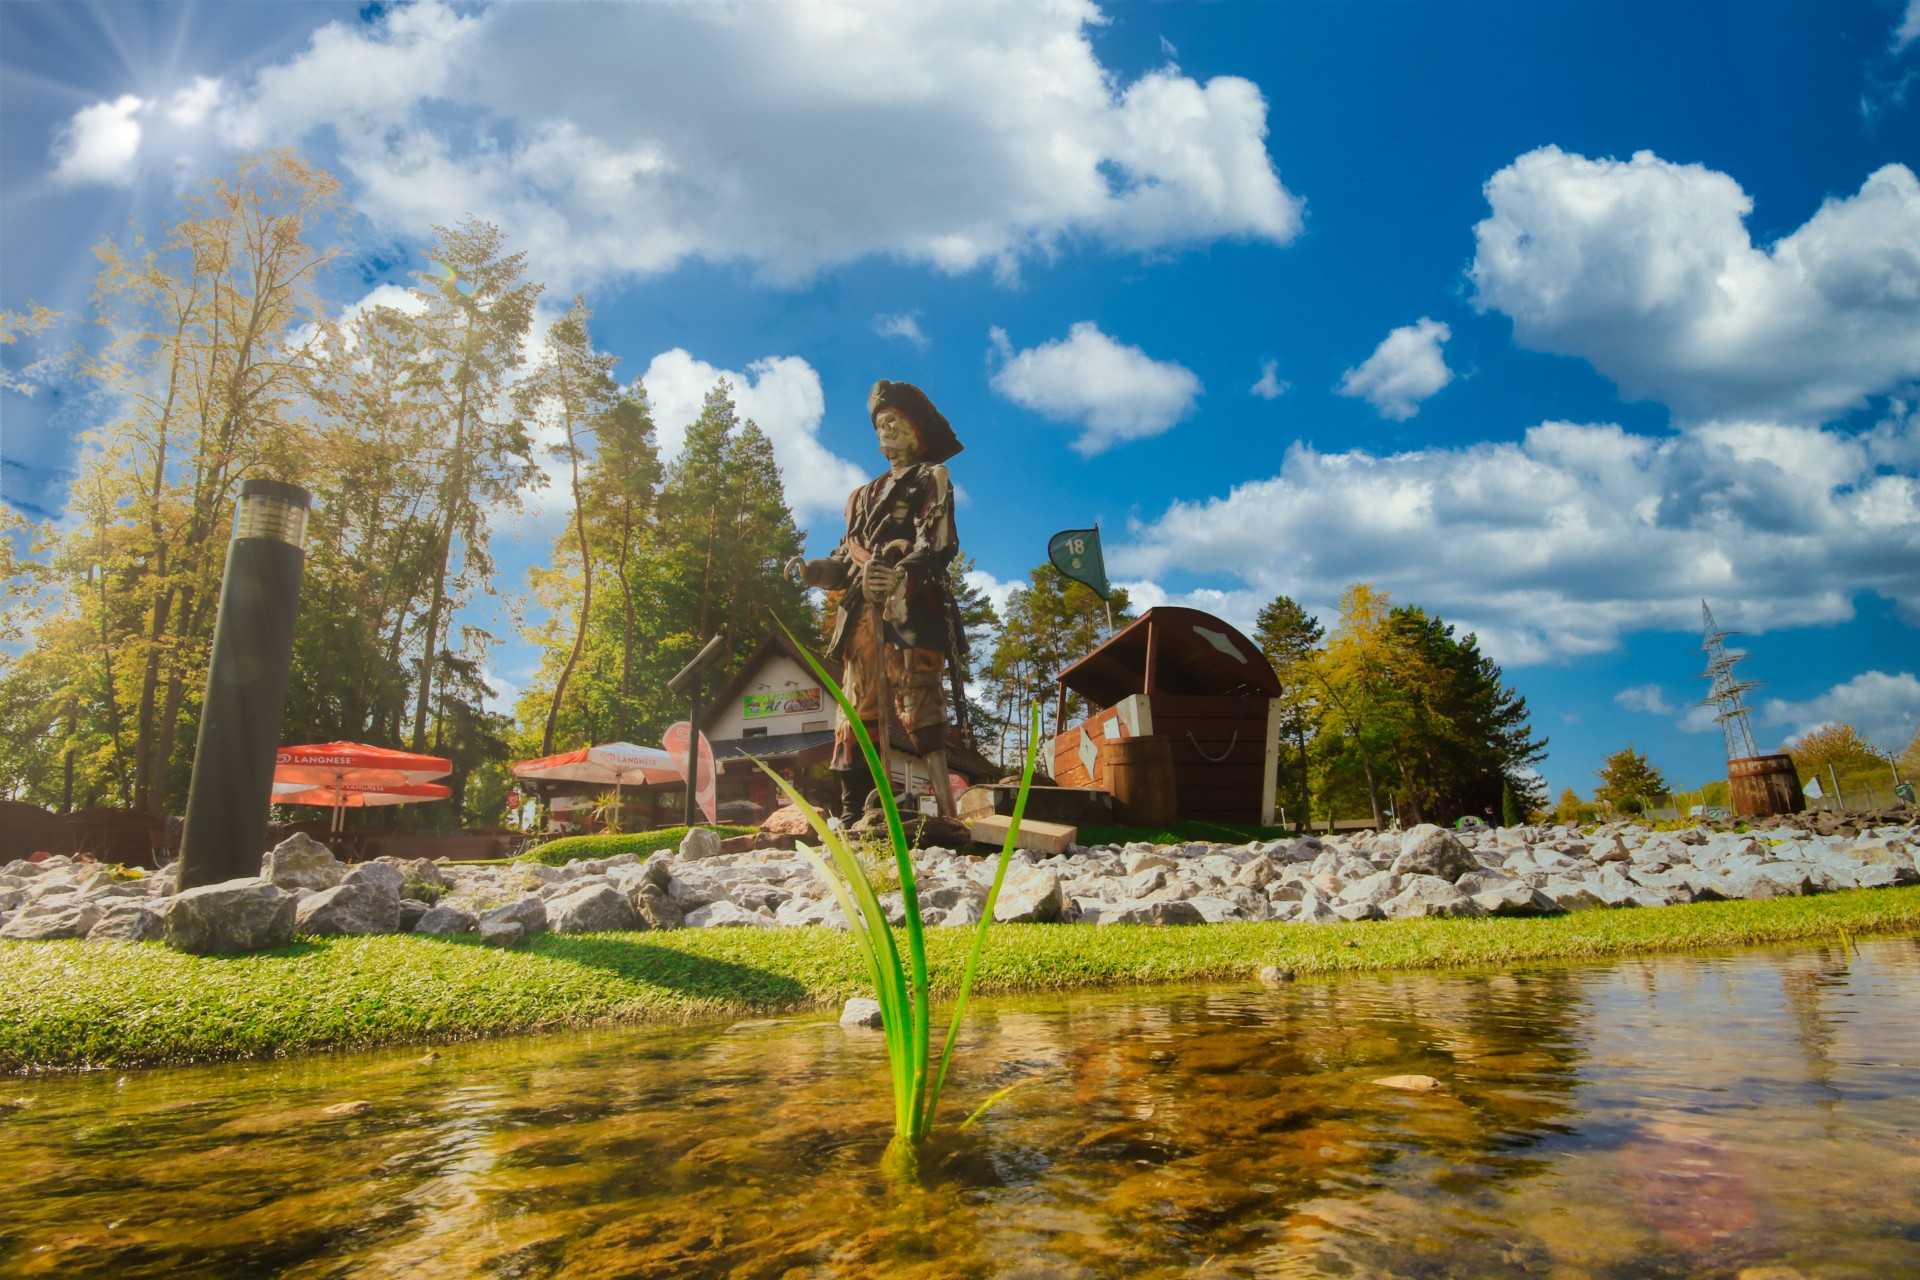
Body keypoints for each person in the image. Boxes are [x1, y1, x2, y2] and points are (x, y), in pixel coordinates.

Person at [787, 380, 963, 821]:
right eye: (879, 424)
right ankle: (856, 812)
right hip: (859, 616)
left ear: (913, 433)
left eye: (893, 423)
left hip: (908, 608)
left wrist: (902, 575)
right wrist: (815, 572)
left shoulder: (931, 477)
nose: (884, 431)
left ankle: (946, 813)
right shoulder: (859, 497)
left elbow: (938, 542)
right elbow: (844, 557)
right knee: (856, 711)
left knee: (920, 704)